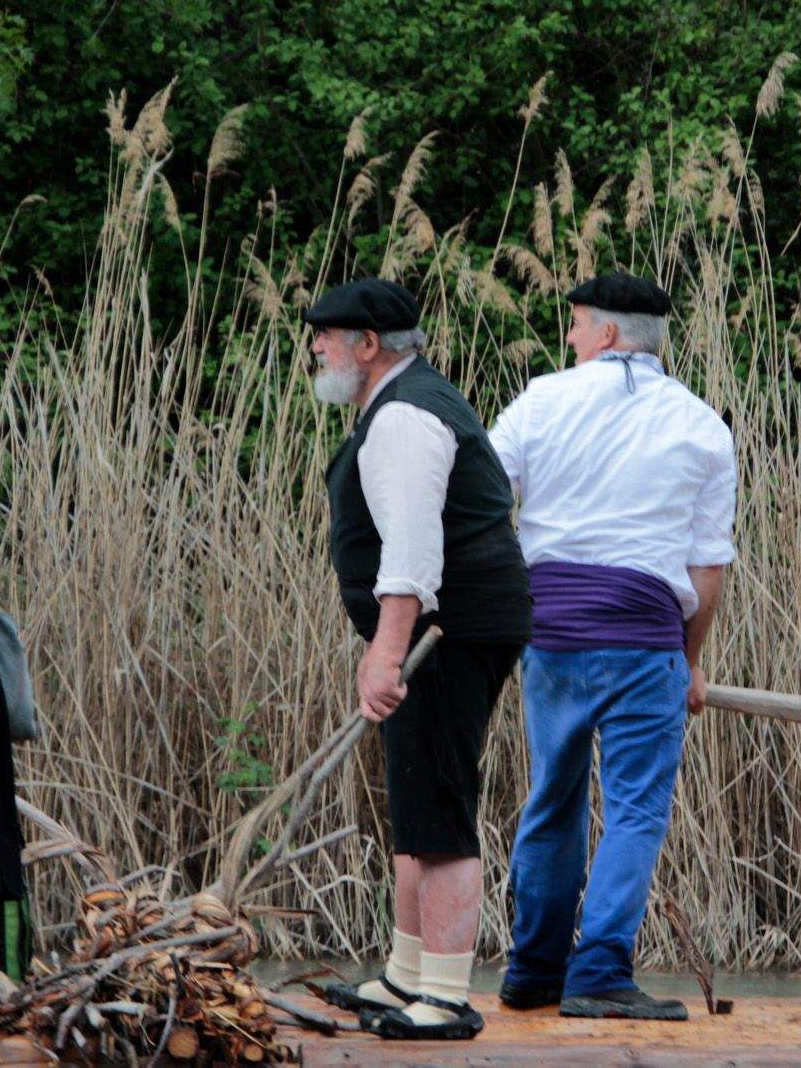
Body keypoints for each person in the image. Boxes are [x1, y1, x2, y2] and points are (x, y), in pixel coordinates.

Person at [490, 272, 737, 1021]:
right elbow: (708, 566)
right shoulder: (702, 425)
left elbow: (477, 493)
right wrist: (687, 662)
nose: (567, 338)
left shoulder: (540, 399)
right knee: (634, 808)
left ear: (605, 333)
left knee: (553, 794)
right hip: (643, 633)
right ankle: (597, 970)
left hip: (553, 630)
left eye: (574, 325)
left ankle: (533, 970)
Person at [303, 277, 533, 1041]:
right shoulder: (408, 401)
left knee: (437, 800)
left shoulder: (403, 415)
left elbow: (411, 549)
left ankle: (444, 994)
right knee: (413, 794)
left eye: (327, 336)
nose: (316, 348)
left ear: (369, 346)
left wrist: (386, 651)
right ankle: (406, 974)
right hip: (446, 628)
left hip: (445, 632)